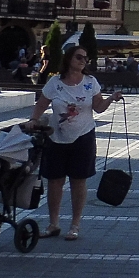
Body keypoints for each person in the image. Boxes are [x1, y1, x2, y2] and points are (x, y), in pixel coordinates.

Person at [31, 45, 122, 241]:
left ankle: (75, 225)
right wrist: (33, 120)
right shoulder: (55, 82)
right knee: (54, 181)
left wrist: (111, 99)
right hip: (56, 137)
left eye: (85, 59)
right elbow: (41, 104)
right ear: (69, 59)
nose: (83, 61)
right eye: (79, 57)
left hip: (83, 137)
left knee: (78, 181)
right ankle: (53, 224)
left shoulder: (90, 82)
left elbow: (98, 108)